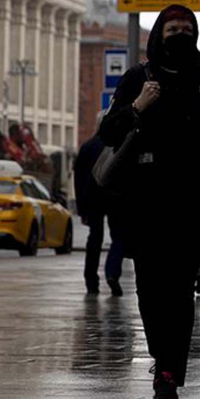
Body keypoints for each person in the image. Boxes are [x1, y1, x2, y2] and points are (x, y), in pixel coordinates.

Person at [97, 4, 200, 399]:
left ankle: (169, 371)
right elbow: (109, 131)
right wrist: (139, 104)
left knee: (180, 293)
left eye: (187, 27)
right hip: (145, 203)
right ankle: (163, 358)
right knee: (149, 291)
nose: (180, 33)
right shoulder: (138, 79)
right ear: (159, 34)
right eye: (172, 27)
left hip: (192, 204)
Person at [75, 111, 123, 296]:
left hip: (92, 199)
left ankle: (91, 281)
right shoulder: (118, 144)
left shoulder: (88, 147)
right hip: (115, 198)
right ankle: (112, 272)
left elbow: (78, 179)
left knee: (94, 239)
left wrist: (81, 208)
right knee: (119, 237)